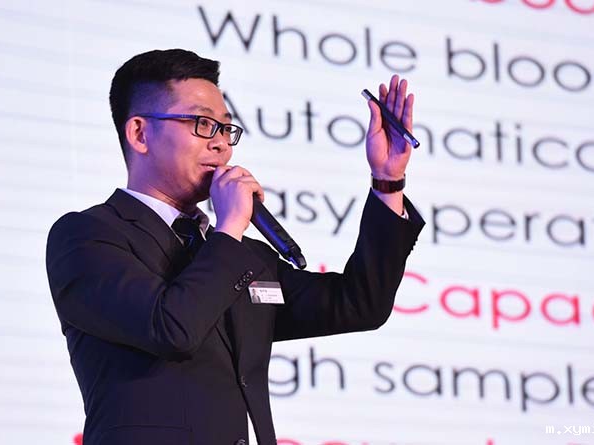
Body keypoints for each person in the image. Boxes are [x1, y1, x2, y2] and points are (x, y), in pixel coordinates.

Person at [45, 48, 424, 445]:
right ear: (140, 133)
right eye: (202, 124)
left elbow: (359, 304)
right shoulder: (88, 236)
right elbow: (171, 329)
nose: (222, 146)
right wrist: (229, 228)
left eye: (226, 129)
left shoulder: (245, 256)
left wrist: (387, 181)